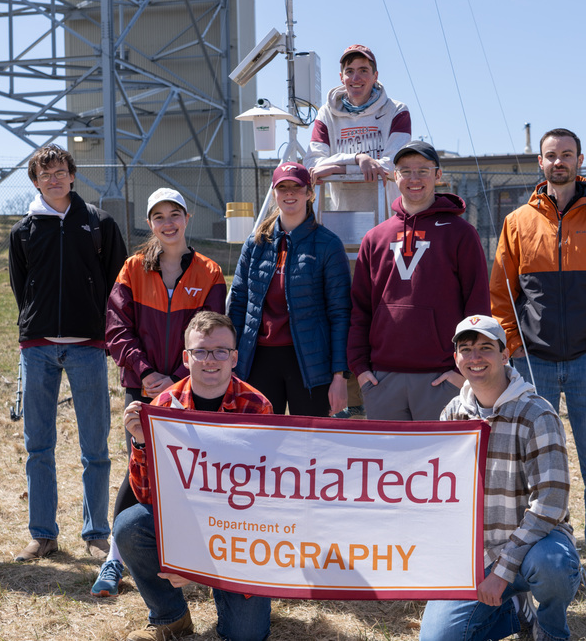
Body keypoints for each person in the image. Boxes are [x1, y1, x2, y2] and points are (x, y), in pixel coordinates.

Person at [490, 128, 586, 599]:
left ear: (579, 160)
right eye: (551, 155)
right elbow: (502, 296)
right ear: (540, 161)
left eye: (567, 155)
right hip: (534, 365)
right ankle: (537, 558)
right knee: (529, 468)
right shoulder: (517, 222)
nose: (559, 162)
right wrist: (513, 346)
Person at [91, 188, 226, 596]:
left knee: (191, 471)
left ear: (187, 218)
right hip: (144, 387)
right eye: (159, 217)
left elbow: (211, 332)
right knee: (139, 471)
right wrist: (147, 373)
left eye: (175, 215)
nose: (168, 224)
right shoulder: (132, 269)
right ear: (149, 224)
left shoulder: (209, 271)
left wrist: (179, 380)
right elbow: (116, 329)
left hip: (190, 390)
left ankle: (194, 561)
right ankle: (115, 560)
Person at [113, 311, 273, 641]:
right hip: (182, 520)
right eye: (200, 351)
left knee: (246, 635)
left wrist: (198, 560)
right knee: (130, 526)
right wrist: (141, 443)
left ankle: (229, 595)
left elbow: (263, 500)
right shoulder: (163, 406)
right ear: (186, 358)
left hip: (238, 533)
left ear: (234, 357)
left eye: (220, 351)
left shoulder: (257, 408)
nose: (210, 360)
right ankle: (170, 617)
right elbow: (145, 496)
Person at [420, 315, 580, 641]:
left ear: (505, 355)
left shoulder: (537, 413)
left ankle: (549, 631)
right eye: (466, 349)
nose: (475, 357)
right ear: (456, 360)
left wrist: (502, 572)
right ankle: (513, 609)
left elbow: (550, 502)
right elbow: (442, 493)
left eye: (485, 348)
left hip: (535, 547)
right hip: (477, 554)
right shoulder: (452, 415)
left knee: (554, 567)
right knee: (437, 639)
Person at [8, 143, 128, 563]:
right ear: (36, 181)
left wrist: (102, 331)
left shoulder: (99, 223)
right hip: (38, 349)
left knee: (95, 447)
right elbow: (21, 288)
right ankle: (42, 534)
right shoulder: (23, 230)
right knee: (38, 446)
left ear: (72, 175)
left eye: (60, 171)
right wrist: (35, 327)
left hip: (88, 348)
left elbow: (117, 286)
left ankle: (96, 534)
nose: (53, 179)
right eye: (45, 174)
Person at [348, 140, 491, 421]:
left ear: (438, 175)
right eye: (406, 171)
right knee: (388, 463)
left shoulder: (460, 233)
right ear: (394, 176)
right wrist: (361, 369)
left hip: (440, 378)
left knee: (441, 463)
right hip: (382, 379)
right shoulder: (375, 237)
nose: (414, 179)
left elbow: (477, 307)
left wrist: (460, 371)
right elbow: (360, 308)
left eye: (423, 170)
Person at [227, 162, 351, 417]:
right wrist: (230, 359)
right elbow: (238, 304)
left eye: (297, 187)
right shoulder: (256, 243)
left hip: (309, 363)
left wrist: (339, 376)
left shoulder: (328, 245)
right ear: (274, 193)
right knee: (259, 442)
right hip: (258, 359)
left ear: (309, 193)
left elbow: (340, 314)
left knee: (310, 444)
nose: (290, 193)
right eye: (282, 187)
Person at [303, 43, 411, 215]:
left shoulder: (396, 111)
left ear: (375, 76)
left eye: (363, 70)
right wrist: (358, 158)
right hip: (343, 216)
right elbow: (312, 163)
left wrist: (339, 169)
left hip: (389, 217)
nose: (355, 78)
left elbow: (395, 165)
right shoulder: (327, 113)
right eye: (350, 71)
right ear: (341, 77)